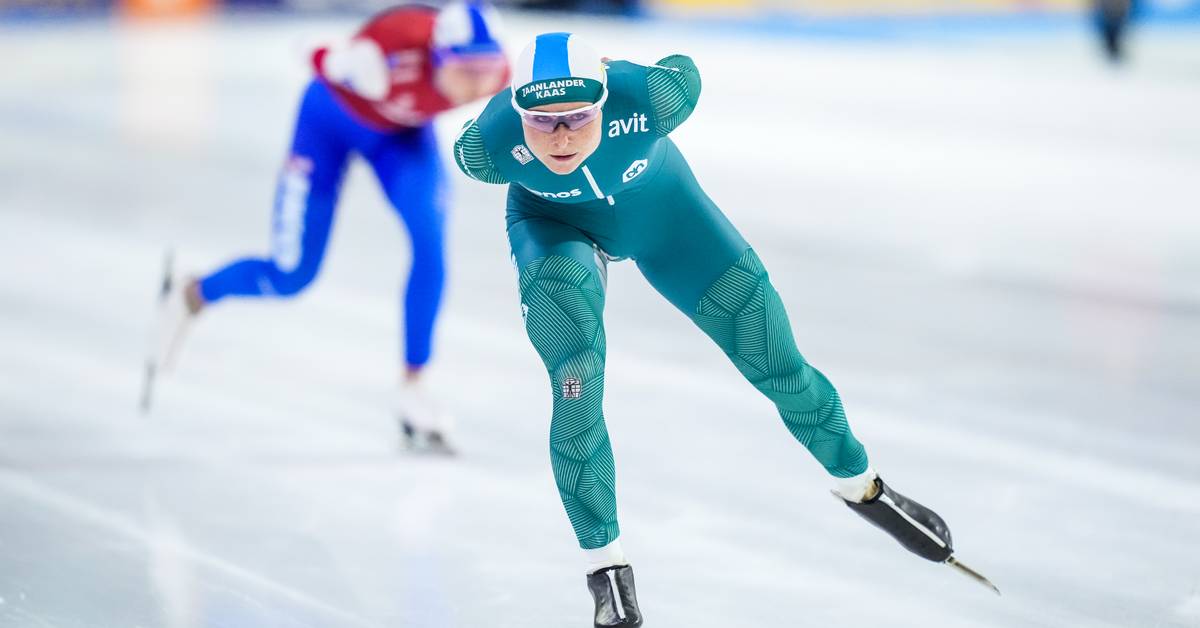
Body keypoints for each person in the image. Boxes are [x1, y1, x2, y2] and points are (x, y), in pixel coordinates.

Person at [454, 32, 994, 626]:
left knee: (779, 366)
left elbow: (683, 67)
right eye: (541, 121)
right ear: (518, 112)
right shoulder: (487, 146)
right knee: (574, 380)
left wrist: (620, 69)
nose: (560, 137)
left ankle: (864, 487)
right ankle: (607, 574)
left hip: (669, 220)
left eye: (578, 116)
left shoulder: (651, 98)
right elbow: (466, 144)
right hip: (555, 230)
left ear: (605, 100)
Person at [147, 2, 510, 452]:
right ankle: (191, 294)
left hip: (400, 138)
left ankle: (414, 385)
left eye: (486, 70)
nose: (478, 85)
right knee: (291, 274)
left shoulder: (499, 72)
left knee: (430, 241)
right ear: (437, 57)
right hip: (327, 126)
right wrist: (342, 62)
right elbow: (306, 48)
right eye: (467, 72)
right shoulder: (387, 52)